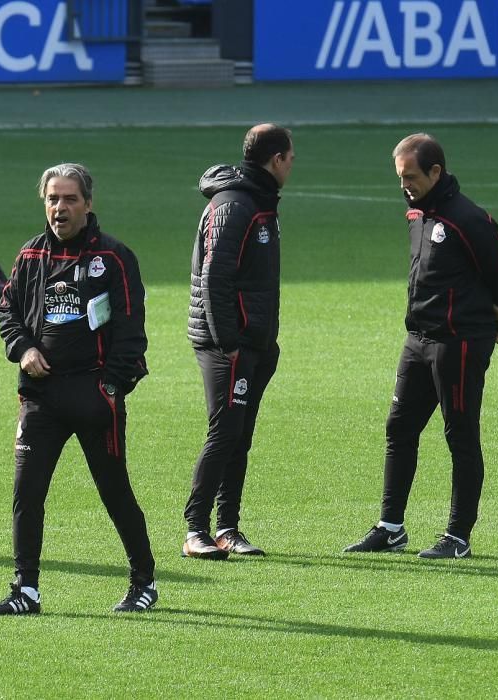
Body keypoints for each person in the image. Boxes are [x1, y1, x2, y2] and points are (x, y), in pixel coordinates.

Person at [0, 163, 157, 614]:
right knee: (28, 491)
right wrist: (22, 349)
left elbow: (131, 330)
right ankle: (26, 590)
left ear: (88, 204)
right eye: (53, 199)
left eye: (70, 199)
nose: (60, 209)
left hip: (93, 396)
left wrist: (112, 387)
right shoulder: (31, 256)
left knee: (113, 490)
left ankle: (144, 582)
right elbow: (8, 310)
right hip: (40, 396)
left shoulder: (115, 258)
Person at [344, 133, 498, 559]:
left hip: (458, 343)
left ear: (436, 171)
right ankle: (391, 527)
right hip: (418, 340)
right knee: (399, 428)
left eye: (411, 176)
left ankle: (458, 535)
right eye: (400, 176)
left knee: (460, 435)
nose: (404, 184)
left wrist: (497, 321)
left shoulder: (469, 218)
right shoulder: (418, 214)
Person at [182, 124, 294, 560]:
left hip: (255, 342)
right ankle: (195, 529)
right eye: (290, 157)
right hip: (226, 343)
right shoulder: (234, 205)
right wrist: (229, 340)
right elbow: (214, 277)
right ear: (277, 159)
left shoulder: (260, 202)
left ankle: (227, 527)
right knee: (224, 430)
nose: (292, 165)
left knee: (240, 434)